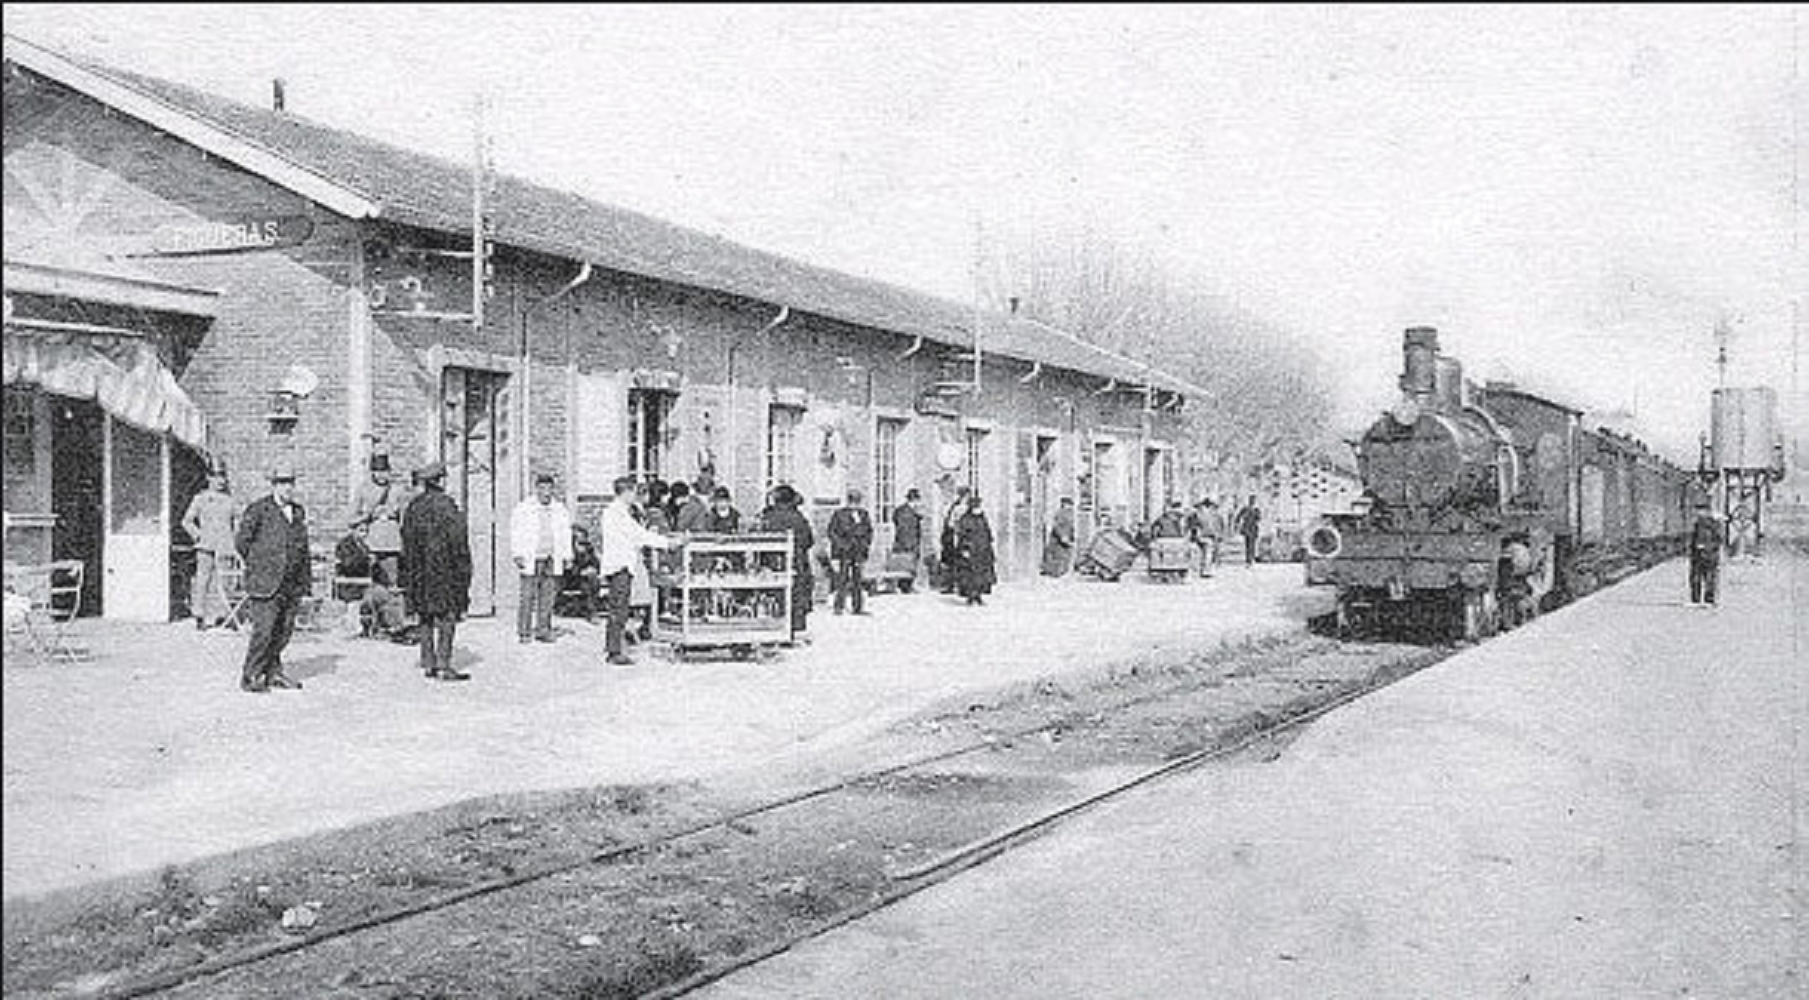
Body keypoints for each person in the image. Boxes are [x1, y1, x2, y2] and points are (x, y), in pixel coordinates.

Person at [234, 462, 311, 693]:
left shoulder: (297, 511)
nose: (287, 488)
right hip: (265, 582)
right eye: (282, 483)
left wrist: (304, 580)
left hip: (291, 582)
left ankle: (274, 673)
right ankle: (251, 676)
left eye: (290, 483)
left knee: (283, 630)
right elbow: (242, 543)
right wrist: (261, 566)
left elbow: (302, 546)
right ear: (274, 485)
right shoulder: (258, 509)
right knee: (264, 631)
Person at [401, 461, 472, 681]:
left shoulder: (414, 507)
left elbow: (406, 540)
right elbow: (458, 542)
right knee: (447, 616)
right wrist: (464, 569)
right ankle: (444, 664)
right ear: (440, 481)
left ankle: (428, 662)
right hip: (444, 570)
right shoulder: (448, 506)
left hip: (420, 570)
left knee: (425, 616)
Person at [600, 475, 678, 665]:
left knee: (620, 607)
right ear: (625, 492)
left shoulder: (619, 512)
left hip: (622, 564)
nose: (635, 495)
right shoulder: (616, 513)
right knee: (619, 609)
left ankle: (614, 645)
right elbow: (639, 535)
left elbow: (638, 534)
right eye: (633, 491)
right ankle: (614, 651)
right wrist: (668, 543)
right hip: (620, 565)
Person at [510, 472, 573, 644]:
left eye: (549, 488)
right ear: (536, 489)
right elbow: (515, 532)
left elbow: (565, 533)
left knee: (548, 595)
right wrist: (517, 554)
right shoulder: (524, 508)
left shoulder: (560, 509)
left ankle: (543, 629)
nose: (546, 492)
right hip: (532, 555)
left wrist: (567, 555)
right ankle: (524, 631)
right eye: (542, 488)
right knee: (528, 594)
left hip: (552, 556)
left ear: (553, 490)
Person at [181, 465, 238, 630]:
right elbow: (187, 521)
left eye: (222, 477)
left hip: (225, 546)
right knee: (203, 580)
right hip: (206, 546)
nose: (220, 481)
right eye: (216, 476)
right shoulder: (201, 499)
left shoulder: (229, 500)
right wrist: (197, 535)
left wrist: (233, 541)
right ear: (208, 478)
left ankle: (224, 615)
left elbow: (236, 523)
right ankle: (199, 615)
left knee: (226, 581)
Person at [759, 484, 816, 640]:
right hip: (797, 562)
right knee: (797, 593)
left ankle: (776, 625)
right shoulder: (798, 517)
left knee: (777, 594)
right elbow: (809, 540)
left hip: (774, 563)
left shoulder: (769, 516)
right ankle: (795, 627)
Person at [348, 451, 407, 587]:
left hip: (391, 546)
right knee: (371, 586)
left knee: (391, 585)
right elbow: (350, 520)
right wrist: (368, 515)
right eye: (377, 471)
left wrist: (393, 514)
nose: (381, 475)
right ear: (372, 473)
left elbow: (404, 520)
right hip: (371, 545)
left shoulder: (397, 491)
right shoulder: (364, 490)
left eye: (384, 471)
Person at [827, 488, 874, 616]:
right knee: (842, 579)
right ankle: (839, 606)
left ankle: (857, 607)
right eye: (853, 501)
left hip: (859, 551)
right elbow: (832, 532)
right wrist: (841, 545)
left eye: (857, 501)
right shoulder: (839, 514)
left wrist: (865, 544)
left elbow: (869, 531)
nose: (855, 504)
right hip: (844, 551)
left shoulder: (864, 514)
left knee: (858, 579)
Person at [954, 494, 997, 606]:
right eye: (976, 506)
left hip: (983, 551)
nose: (978, 508)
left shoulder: (982, 518)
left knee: (981, 575)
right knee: (970, 575)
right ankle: (970, 596)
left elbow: (987, 532)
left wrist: (989, 547)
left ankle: (978, 596)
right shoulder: (965, 519)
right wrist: (964, 549)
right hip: (971, 551)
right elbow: (962, 536)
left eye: (979, 506)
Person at [558, 526, 602, 623]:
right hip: (569, 579)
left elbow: (595, 562)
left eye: (583, 538)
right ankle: (592, 612)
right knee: (586, 583)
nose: (582, 540)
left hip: (585, 578)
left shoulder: (588, 548)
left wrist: (593, 569)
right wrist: (580, 571)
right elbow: (566, 567)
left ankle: (593, 610)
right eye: (578, 537)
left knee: (592, 580)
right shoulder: (567, 549)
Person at [1687, 500, 1724, 607]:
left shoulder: (1713, 524)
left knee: (1709, 578)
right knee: (1695, 577)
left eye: (1701, 510)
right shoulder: (1698, 524)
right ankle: (1696, 600)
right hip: (1697, 555)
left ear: (1706, 511)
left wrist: (1706, 547)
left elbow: (1719, 540)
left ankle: (1709, 600)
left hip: (1709, 555)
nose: (1698, 513)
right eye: (1697, 510)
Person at [937, 485, 972, 593]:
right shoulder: (956, 507)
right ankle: (951, 585)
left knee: (964, 563)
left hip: (964, 538)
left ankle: (963, 586)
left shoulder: (967, 507)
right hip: (953, 537)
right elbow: (950, 523)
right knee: (952, 562)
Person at [891, 488, 926, 592]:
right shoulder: (905, 511)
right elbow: (903, 528)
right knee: (906, 563)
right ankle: (905, 586)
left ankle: (907, 585)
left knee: (910, 564)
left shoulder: (908, 510)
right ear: (914, 500)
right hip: (907, 542)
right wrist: (908, 543)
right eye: (917, 500)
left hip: (911, 541)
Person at [1189, 497, 1226, 574]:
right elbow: (1220, 526)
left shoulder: (1196, 514)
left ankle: (1202, 569)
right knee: (1207, 553)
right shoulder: (1215, 515)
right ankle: (1205, 569)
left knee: (1202, 553)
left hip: (1201, 536)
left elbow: (1191, 525)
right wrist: (1220, 536)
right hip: (1208, 536)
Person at [1041, 496, 1076, 577]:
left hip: (1065, 537)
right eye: (1068, 505)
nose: (1070, 507)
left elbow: (1071, 527)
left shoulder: (1069, 514)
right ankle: (1053, 572)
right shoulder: (1061, 513)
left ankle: (1059, 572)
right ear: (1064, 504)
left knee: (1064, 556)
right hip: (1059, 539)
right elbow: (1057, 526)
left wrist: (1071, 536)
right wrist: (1062, 536)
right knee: (1057, 555)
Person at [1233, 495, 1263, 568]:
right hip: (1247, 528)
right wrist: (1237, 524)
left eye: (1253, 500)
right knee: (1248, 544)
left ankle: (1251, 559)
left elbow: (1259, 518)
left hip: (1253, 529)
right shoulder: (1245, 509)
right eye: (1251, 500)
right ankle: (1248, 560)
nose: (1252, 502)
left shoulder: (1256, 510)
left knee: (1252, 544)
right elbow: (1238, 517)